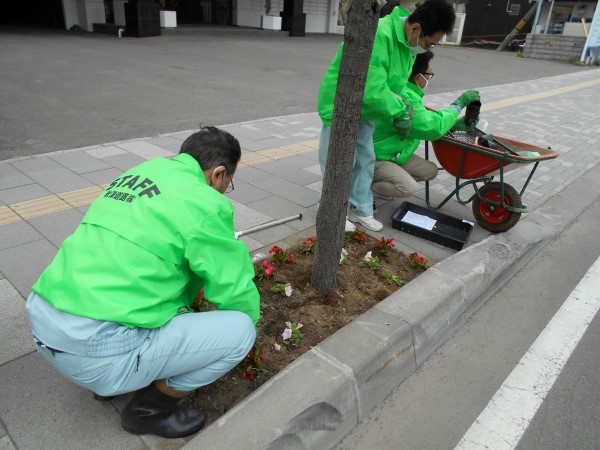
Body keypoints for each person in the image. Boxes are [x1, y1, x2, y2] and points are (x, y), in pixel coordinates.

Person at [25, 126, 260, 439]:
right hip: (94, 346)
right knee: (240, 332)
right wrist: (250, 327)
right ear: (219, 174)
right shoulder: (206, 202)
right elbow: (234, 290)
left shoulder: (142, 171)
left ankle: (111, 377)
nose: (223, 190)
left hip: (45, 320)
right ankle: (149, 410)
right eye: (227, 184)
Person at [317, 0, 456, 231]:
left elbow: (398, 85)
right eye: (430, 43)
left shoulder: (406, 46)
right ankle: (332, 213)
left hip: (365, 110)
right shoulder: (380, 34)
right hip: (340, 107)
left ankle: (361, 209)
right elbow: (373, 87)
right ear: (415, 29)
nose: (428, 49)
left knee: (365, 160)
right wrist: (399, 111)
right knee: (339, 162)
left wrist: (406, 105)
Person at [371, 50, 480, 199]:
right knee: (407, 188)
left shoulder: (408, 92)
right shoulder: (405, 97)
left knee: (429, 170)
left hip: (396, 154)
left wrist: (454, 125)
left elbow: (424, 120)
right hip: (378, 156)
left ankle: (389, 178)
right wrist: (457, 106)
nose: (429, 78)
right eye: (429, 74)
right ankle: (362, 190)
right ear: (418, 77)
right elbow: (431, 127)